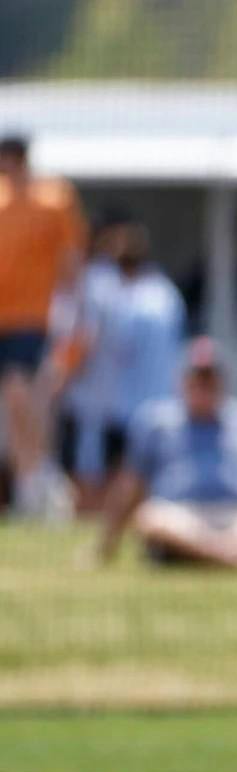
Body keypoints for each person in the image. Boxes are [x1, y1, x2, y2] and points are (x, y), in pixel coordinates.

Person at [96, 335, 237, 567]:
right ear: (183, 382)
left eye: (210, 381)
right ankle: (234, 556)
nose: (203, 389)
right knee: (151, 518)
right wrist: (107, 545)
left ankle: (214, 554)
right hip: (182, 516)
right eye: (197, 380)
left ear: (222, 383)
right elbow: (131, 485)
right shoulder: (156, 422)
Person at [58, 218, 185, 510]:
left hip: (116, 408)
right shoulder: (167, 293)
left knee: (102, 477)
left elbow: (100, 346)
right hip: (156, 402)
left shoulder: (116, 296)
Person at [0, 134, 86, 516]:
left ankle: (41, 478)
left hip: (34, 315)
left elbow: (70, 259)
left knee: (24, 393)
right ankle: (28, 482)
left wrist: (69, 312)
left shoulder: (53, 198)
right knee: (17, 403)